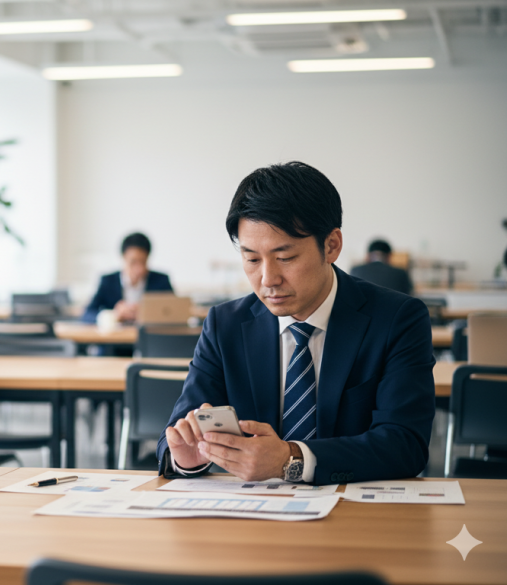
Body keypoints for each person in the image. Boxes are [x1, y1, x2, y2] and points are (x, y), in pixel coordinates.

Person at [157, 161, 435, 485]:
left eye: (285, 258)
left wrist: (292, 459)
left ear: (331, 246)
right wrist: (186, 459)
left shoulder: (397, 319)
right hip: (254, 511)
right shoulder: (225, 326)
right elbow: (177, 433)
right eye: (252, 259)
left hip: (355, 507)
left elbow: (405, 444)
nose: (268, 279)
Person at [82, 232, 173, 323]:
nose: (139, 269)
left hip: (150, 332)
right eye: (133, 262)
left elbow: (175, 312)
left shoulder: (161, 281)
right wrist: (114, 315)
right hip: (117, 332)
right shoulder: (108, 281)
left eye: (143, 262)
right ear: (123, 258)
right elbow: (87, 314)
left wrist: (148, 313)